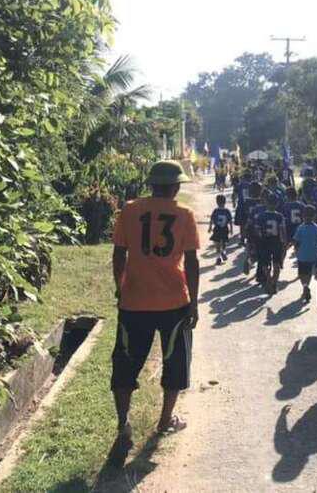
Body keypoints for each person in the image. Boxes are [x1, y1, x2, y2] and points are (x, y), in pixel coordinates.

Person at [110, 161, 200, 445]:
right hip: (174, 302)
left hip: (134, 301)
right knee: (175, 361)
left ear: (151, 184)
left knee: (125, 362)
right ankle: (165, 420)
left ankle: (123, 423)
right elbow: (192, 262)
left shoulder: (130, 210)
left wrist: (120, 287)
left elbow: (118, 254)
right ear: (175, 187)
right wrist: (194, 303)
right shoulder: (184, 214)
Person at [255, 190, 287, 294]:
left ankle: (268, 279)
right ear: (277, 204)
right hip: (276, 241)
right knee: (276, 263)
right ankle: (274, 283)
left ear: (266, 202)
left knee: (265, 263)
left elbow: (258, 230)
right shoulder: (280, 216)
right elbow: (282, 231)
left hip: (264, 241)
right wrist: (284, 243)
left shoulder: (261, 216)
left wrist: (259, 240)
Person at [292, 205, 317, 302]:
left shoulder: (300, 228)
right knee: (309, 273)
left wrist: (296, 249)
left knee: (302, 273)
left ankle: (305, 286)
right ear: (314, 216)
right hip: (313, 255)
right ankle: (306, 286)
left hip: (302, 255)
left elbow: (296, 241)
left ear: (303, 216)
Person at [209, 194, 234, 265]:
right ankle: (223, 251)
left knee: (217, 243)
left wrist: (210, 227)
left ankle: (218, 258)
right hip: (225, 228)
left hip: (217, 228)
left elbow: (212, 219)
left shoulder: (215, 210)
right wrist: (231, 229)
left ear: (217, 202)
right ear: (225, 202)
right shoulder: (227, 211)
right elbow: (230, 221)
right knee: (224, 242)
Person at [281, 187, 306, 255]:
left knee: (286, 247)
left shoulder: (285, 206)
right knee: (299, 247)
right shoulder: (301, 205)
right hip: (299, 228)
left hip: (289, 229)